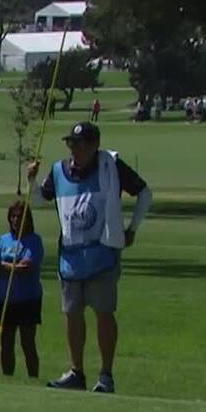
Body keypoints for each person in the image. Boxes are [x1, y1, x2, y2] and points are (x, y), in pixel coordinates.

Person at [27, 121, 154, 394]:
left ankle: (106, 376)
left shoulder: (111, 166)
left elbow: (144, 193)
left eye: (79, 144)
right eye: (70, 144)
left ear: (94, 146)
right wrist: (31, 180)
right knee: (72, 314)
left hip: (102, 253)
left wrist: (132, 229)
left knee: (103, 313)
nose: (74, 149)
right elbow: (38, 199)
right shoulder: (59, 171)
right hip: (70, 258)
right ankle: (76, 372)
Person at [0, 199, 44, 378]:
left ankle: (33, 377)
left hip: (28, 299)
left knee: (27, 342)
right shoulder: (3, 240)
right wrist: (9, 266)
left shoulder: (34, 241)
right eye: (13, 216)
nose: (16, 220)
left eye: (20, 217)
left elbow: (25, 267)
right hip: (6, 298)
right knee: (6, 342)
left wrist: (4, 265)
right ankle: (8, 376)